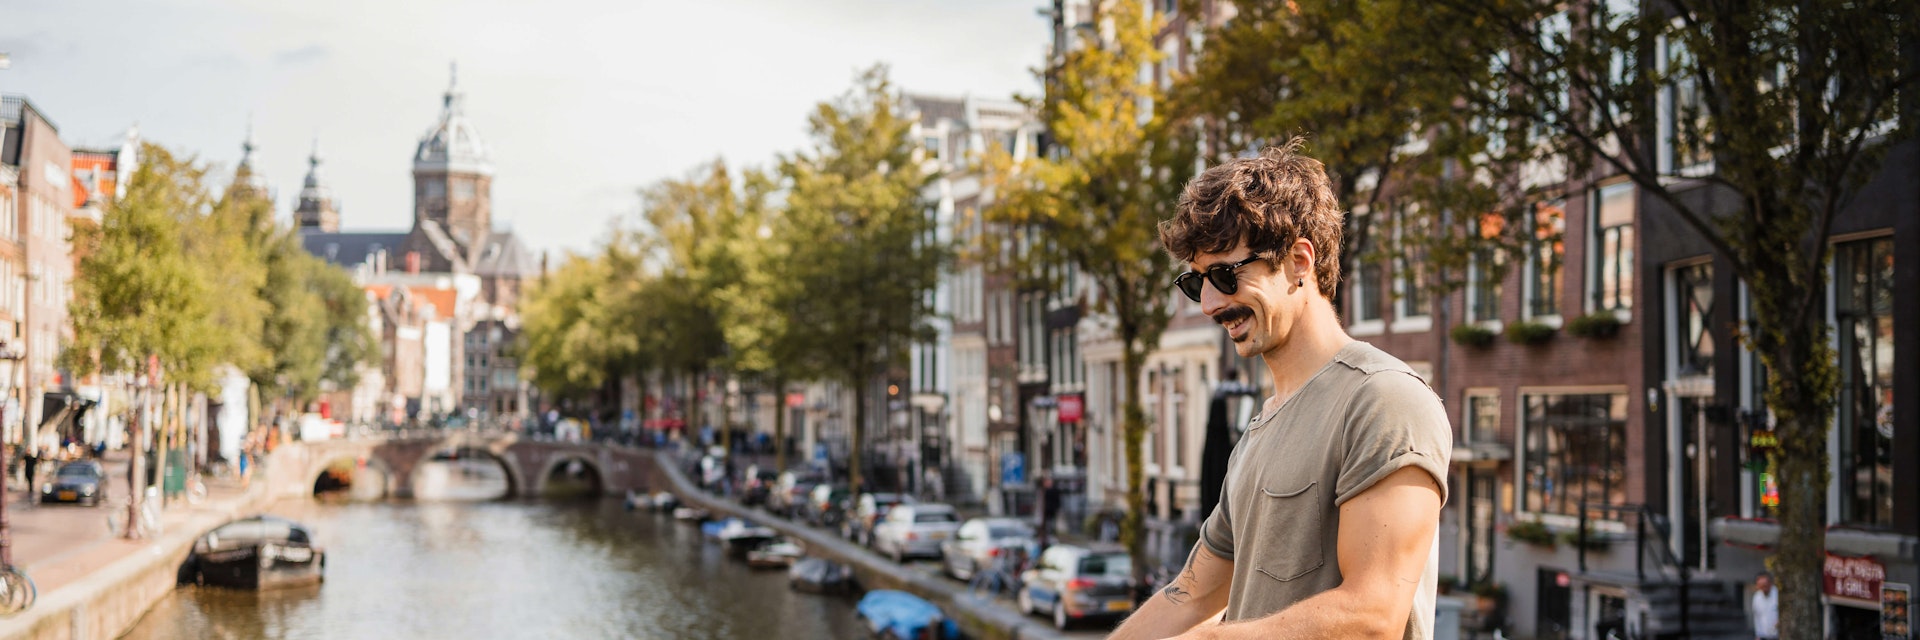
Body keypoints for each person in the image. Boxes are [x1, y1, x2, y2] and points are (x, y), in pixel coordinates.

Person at [1109, 141, 1452, 639]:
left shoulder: (1385, 401)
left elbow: (1372, 616)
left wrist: (1207, 638)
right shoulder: (1258, 431)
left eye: (1225, 275)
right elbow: (1194, 592)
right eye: (1196, 282)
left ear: (1298, 261)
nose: (1208, 304)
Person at [1750, 571, 1778, 640]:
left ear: (1770, 584)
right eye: (1761, 586)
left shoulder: (1778, 595)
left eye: (1765, 586)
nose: (1763, 589)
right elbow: (1757, 617)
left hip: (1777, 635)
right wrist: (1757, 635)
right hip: (1763, 635)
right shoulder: (1757, 597)